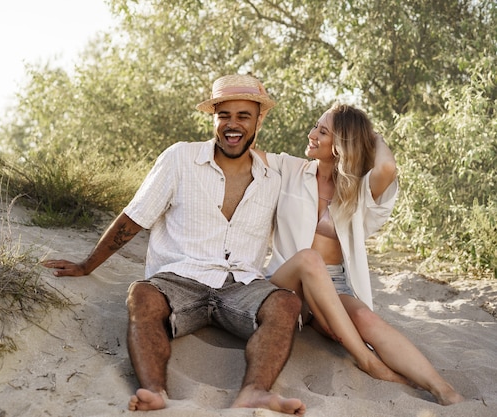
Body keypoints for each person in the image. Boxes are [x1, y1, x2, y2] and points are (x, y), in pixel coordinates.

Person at [42, 74, 306, 415]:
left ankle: (254, 392)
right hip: (178, 280)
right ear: (213, 117)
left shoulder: (274, 177)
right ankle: (155, 391)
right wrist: (86, 265)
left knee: (285, 304)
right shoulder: (180, 158)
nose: (232, 125)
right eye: (224, 115)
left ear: (259, 119)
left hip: (240, 284)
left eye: (243, 116)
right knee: (142, 294)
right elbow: (135, 217)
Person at [256, 104, 464, 405]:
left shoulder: (357, 188)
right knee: (308, 259)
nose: (311, 134)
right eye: (316, 126)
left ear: (341, 145)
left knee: (365, 317)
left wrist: (370, 135)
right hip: (286, 283)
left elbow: (387, 169)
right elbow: (248, 152)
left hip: (334, 285)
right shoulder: (290, 168)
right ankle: (368, 361)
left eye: (322, 131)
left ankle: (443, 390)